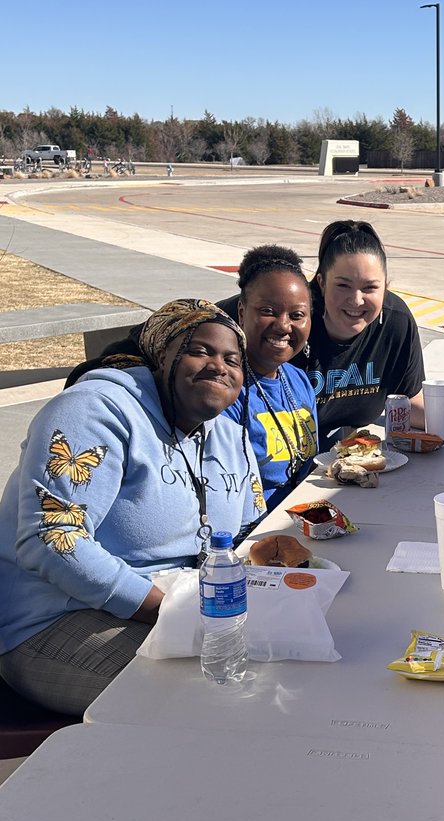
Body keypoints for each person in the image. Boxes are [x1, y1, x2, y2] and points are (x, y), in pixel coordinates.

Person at [0, 300, 264, 715]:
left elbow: (249, 533)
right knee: (215, 702)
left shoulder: (230, 435)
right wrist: (165, 609)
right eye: (200, 350)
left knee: (278, 672)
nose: (219, 366)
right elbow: (51, 537)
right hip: (60, 620)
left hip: (186, 610)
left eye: (233, 359)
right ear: (162, 356)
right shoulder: (95, 409)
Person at [306, 220, 444, 443]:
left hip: (348, 456)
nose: (356, 300)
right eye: (343, 285)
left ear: (385, 287)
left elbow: (405, 397)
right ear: (322, 283)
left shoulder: (396, 322)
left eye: (370, 287)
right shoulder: (295, 324)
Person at [222, 246, 318, 509]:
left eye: (297, 315)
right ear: (242, 312)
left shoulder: (299, 381)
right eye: (268, 311)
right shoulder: (225, 390)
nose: (283, 325)